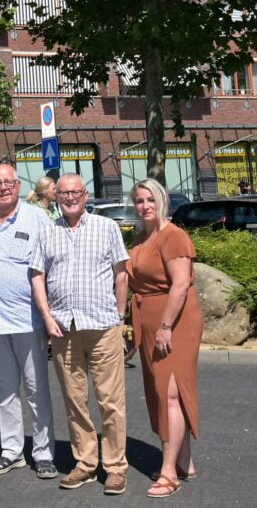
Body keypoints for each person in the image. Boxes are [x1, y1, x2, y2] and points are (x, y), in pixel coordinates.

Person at [30, 173, 129, 495]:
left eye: (75, 192)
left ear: (86, 195)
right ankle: (85, 463)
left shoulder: (107, 227)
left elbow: (121, 274)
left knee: (110, 401)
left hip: (102, 327)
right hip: (63, 328)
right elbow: (37, 277)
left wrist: (119, 315)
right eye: (64, 193)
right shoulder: (46, 233)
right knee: (75, 401)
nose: (69, 197)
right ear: (55, 197)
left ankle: (115, 467)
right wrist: (47, 318)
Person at [0, 164, 57, 479]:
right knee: (4, 389)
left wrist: (49, 316)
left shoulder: (37, 218)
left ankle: (43, 453)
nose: (3, 187)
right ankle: (11, 451)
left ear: (18, 186)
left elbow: (52, 267)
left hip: (28, 320)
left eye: (8, 182)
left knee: (35, 389)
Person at [127, 179, 203, 499]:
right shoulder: (142, 236)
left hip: (175, 320)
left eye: (150, 200)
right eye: (140, 201)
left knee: (170, 391)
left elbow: (181, 283)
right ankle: (185, 461)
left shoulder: (173, 235)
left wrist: (166, 326)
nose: (145, 206)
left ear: (162, 202)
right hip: (150, 319)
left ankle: (169, 472)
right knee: (161, 391)